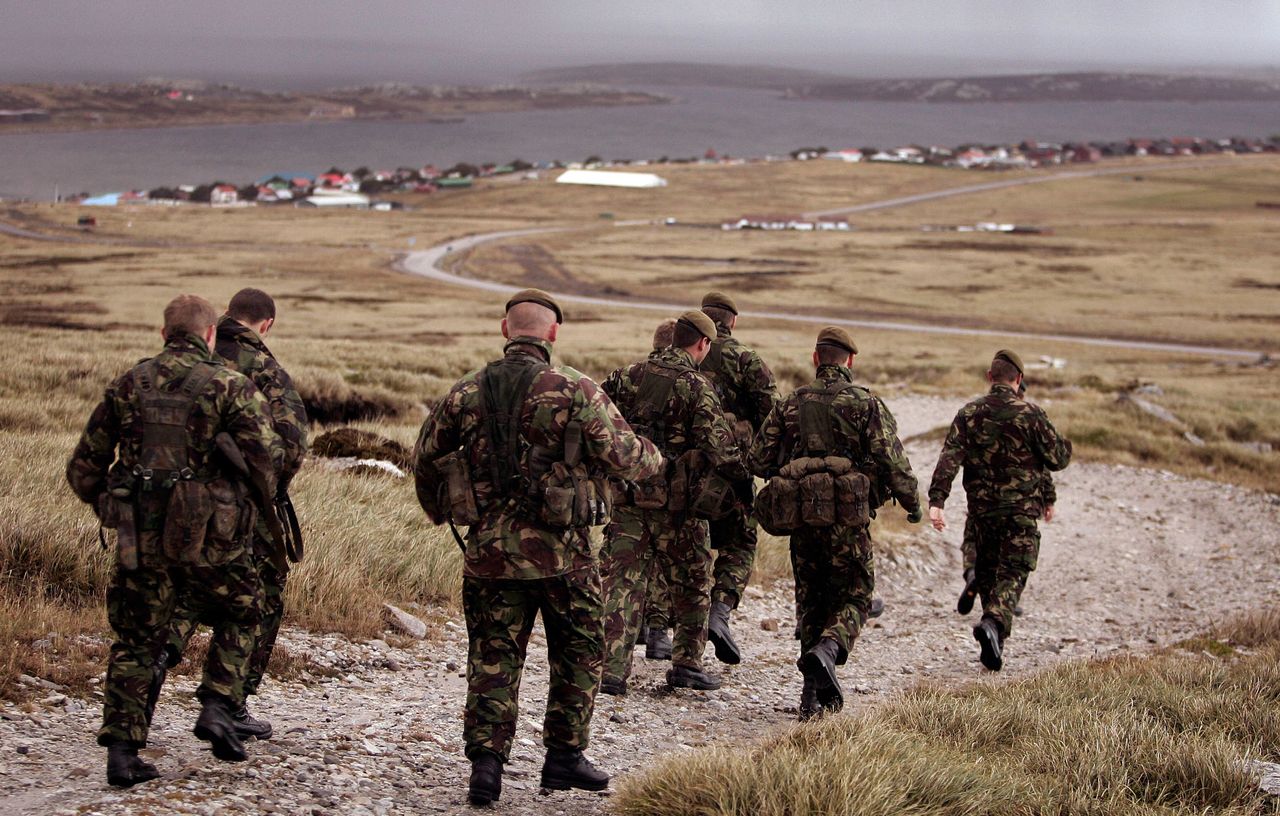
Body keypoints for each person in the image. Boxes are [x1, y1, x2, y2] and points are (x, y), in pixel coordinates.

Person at [412, 289, 661, 806]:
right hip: (563, 558)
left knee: (493, 656)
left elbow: (425, 457)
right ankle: (563, 758)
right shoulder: (574, 389)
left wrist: (444, 513)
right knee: (580, 651)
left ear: (506, 330)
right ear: (552, 333)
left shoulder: (466, 391)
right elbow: (628, 457)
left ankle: (486, 766)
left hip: (488, 556)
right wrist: (655, 460)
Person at [66, 294, 280, 787]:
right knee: (244, 610)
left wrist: (113, 503)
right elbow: (267, 462)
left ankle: (122, 755)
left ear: (164, 335)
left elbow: (83, 469)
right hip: (213, 540)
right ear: (210, 335)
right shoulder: (231, 387)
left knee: (137, 642)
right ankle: (218, 705)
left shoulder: (129, 384)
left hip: (139, 540)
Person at [751, 328, 921, 720]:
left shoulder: (790, 403)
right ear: (850, 361)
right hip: (848, 520)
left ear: (815, 359)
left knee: (811, 601)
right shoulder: (865, 403)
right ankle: (828, 650)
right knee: (857, 596)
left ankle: (810, 700)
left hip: (804, 521)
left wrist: (799, 469)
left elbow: (759, 460)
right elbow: (892, 461)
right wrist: (912, 504)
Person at [167, 288, 309, 740]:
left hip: (170, 504)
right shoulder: (265, 369)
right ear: (266, 324)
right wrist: (264, 492)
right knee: (257, 599)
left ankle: (144, 682)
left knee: (175, 593)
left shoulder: (180, 362)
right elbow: (291, 445)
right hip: (242, 510)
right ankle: (229, 701)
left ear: (225, 317)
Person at [599, 310, 748, 695]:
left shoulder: (625, 376)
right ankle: (686, 664)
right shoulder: (695, 387)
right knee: (693, 582)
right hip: (678, 510)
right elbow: (721, 450)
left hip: (628, 502)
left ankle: (612, 671)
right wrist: (742, 482)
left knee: (622, 582)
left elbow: (594, 427)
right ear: (702, 344)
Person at [928, 350, 1072, 672]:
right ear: (1018, 379)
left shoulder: (969, 414)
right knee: (1013, 573)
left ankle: (993, 646)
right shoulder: (1032, 415)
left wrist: (937, 501)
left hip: (982, 514)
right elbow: (1057, 459)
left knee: (989, 575)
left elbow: (949, 458)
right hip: (1020, 513)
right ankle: (993, 623)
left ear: (989, 377)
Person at [696, 292, 779, 665]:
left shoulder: (683, 352)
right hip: (734, 471)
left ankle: (658, 629)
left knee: (682, 544)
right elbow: (773, 418)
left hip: (685, 470)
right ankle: (720, 610)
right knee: (740, 544)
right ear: (734, 320)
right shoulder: (747, 360)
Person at [956, 380, 1053, 618]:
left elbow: (960, 453)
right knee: (1012, 555)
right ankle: (1002, 604)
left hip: (981, 500)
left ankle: (972, 576)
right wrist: (1049, 498)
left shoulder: (979, 415)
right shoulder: (1028, 419)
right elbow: (1044, 466)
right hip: (1018, 504)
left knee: (975, 542)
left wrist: (940, 496)